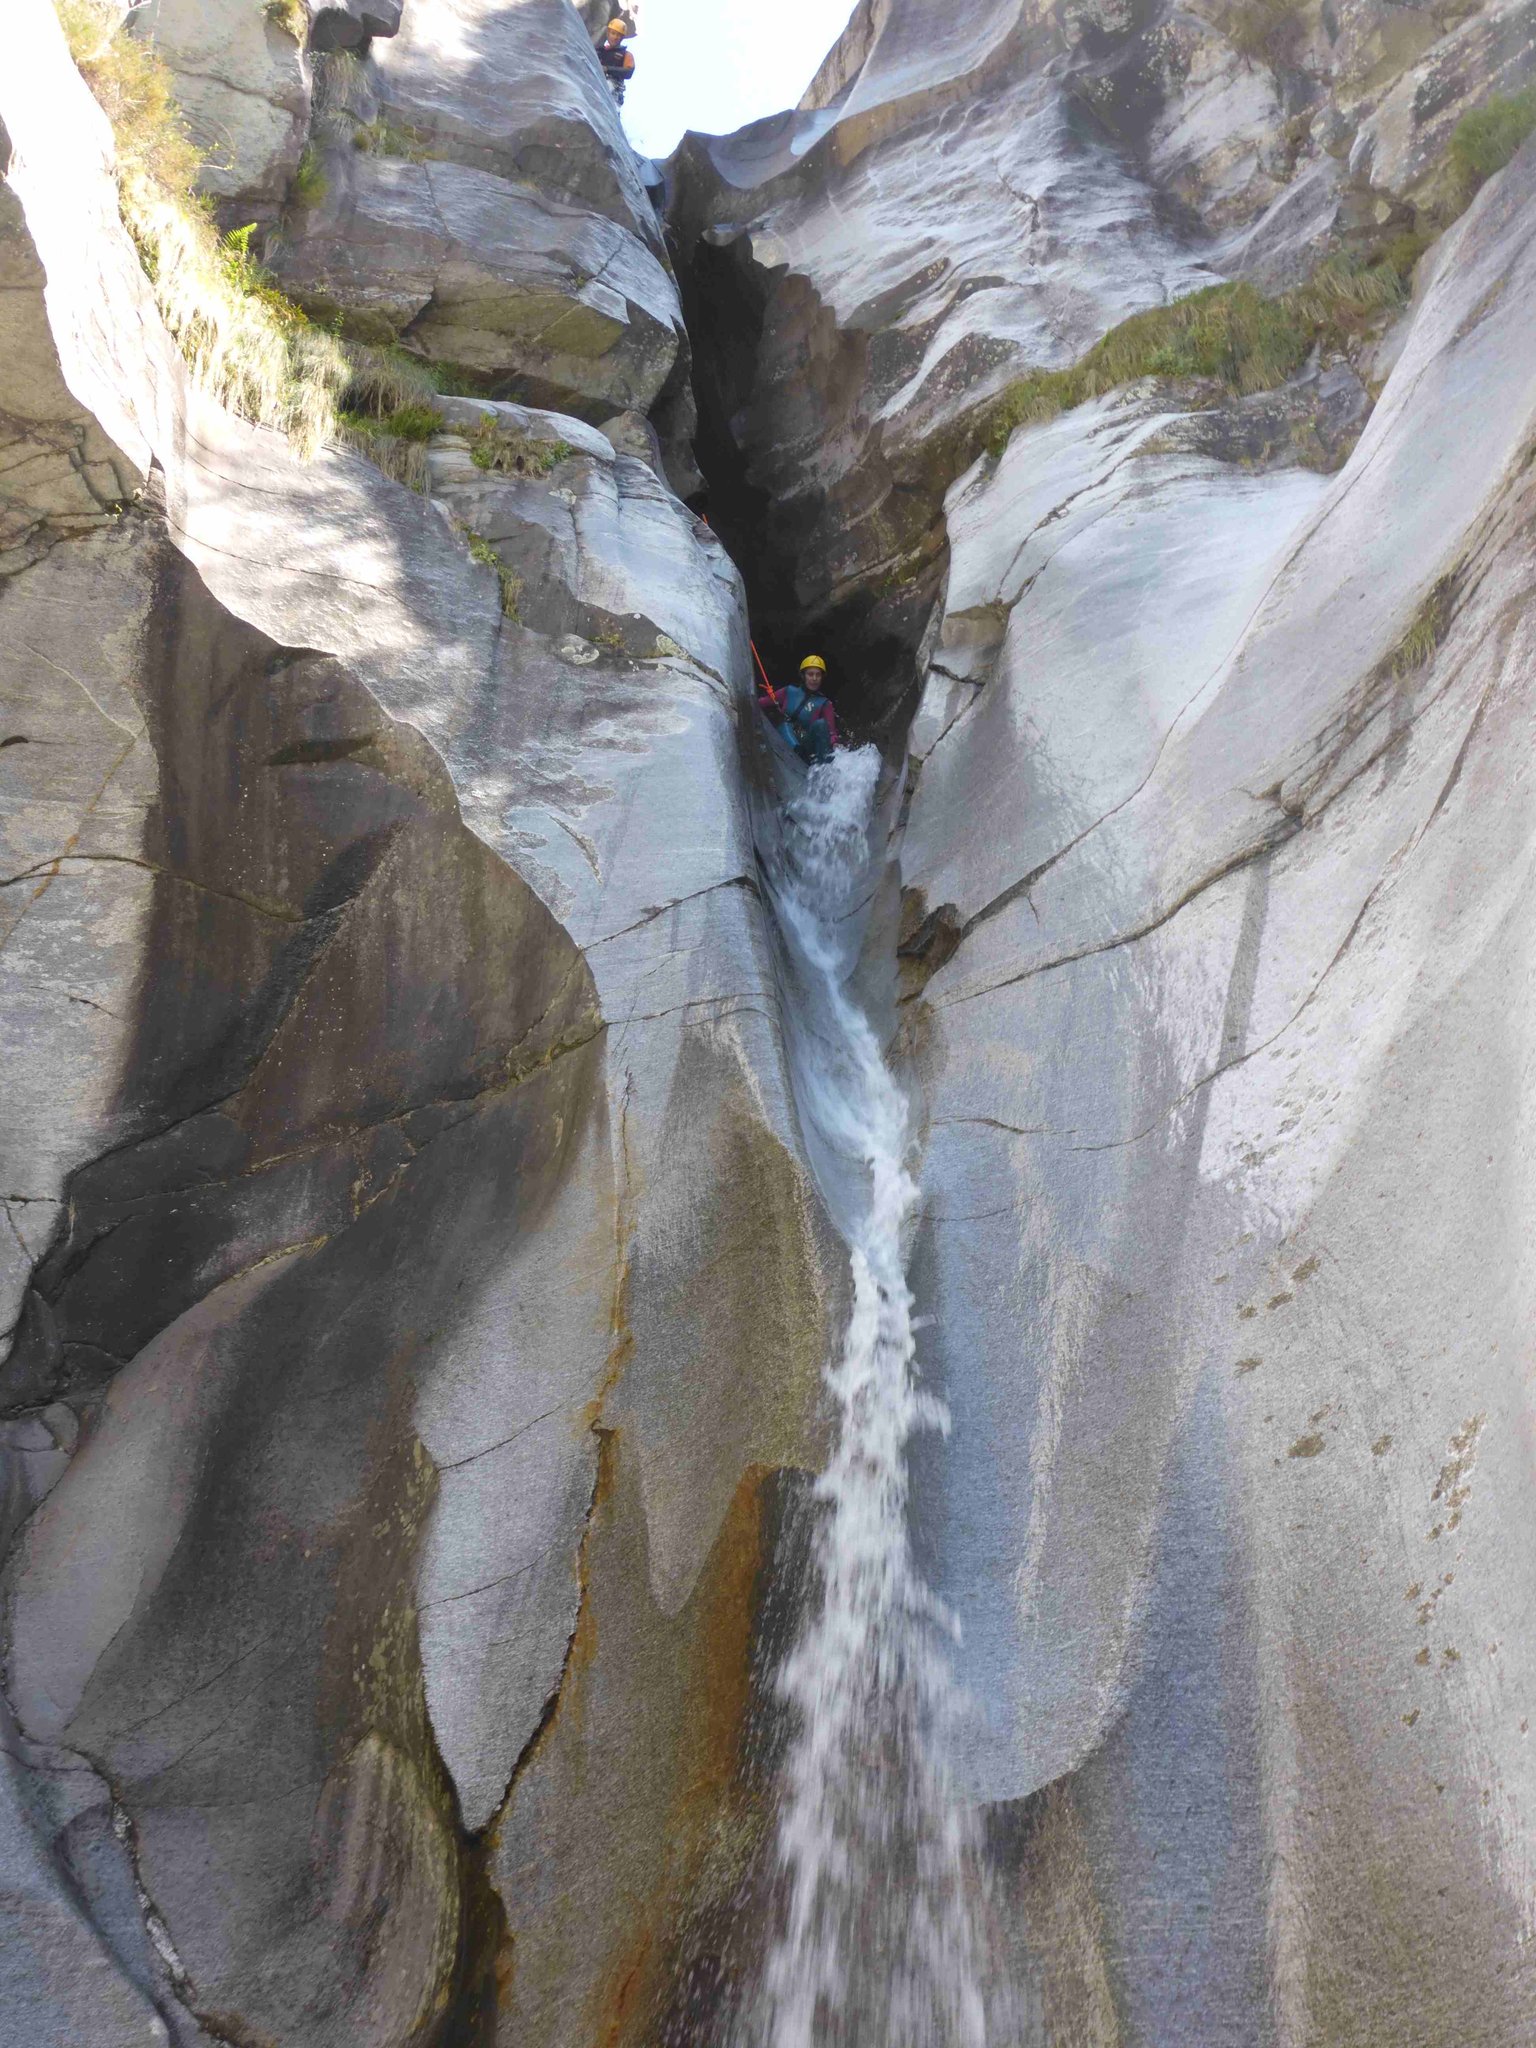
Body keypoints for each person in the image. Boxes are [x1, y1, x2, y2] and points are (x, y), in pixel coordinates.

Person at [759, 654, 841, 765]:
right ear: (803, 676)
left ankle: (821, 766)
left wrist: (834, 743)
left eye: (818, 675)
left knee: (821, 724)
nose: (814, 679)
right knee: (784, 723)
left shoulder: (825, 703)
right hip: (785, 736)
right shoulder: (789, 691)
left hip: (807, 746)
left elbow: (831, 733)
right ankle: (796, 750)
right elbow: (762, 702)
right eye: (810, 674)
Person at [596, 18, 635, 102]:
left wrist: (607, 69)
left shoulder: (626, 55)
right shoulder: (600, 50)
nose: (615, 37)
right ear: (608, 33)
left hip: (613, 86)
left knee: (607, 86)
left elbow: (628, 72)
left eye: (619, 35)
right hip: (598, 79)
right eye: (613, 33)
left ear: (622, 38)